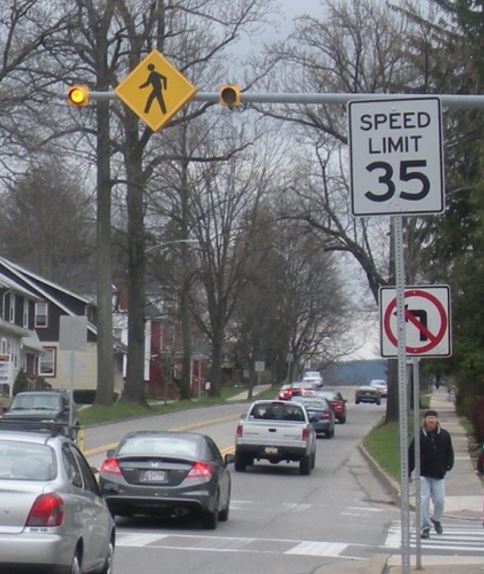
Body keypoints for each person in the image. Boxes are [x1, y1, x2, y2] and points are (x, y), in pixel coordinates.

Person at [409, 409, 454, 539]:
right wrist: (409, 471)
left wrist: (448, 465)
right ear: (425, 420)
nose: (431, 421)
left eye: (433, 418)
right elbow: (412, 454)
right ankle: (425, 528)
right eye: (429, 418)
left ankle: (435, 519)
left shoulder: (445, 435)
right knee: (424, 500)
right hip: (423, 474)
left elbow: (449, 452)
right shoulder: (419, 436)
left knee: (439, 501)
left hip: (439, 475)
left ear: (437, 420)